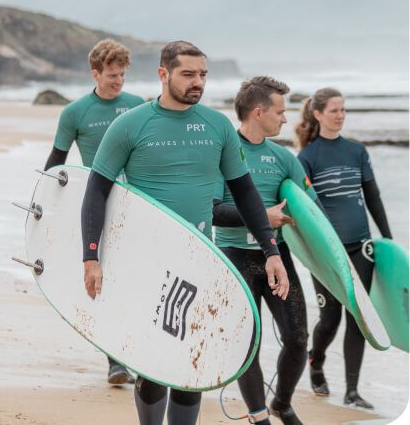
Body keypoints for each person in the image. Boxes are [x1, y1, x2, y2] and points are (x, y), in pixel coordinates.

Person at [81, 41, 289, 425]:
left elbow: (245, 193)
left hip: (201, 259)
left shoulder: (217, 126)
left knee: (190, 367)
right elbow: (96, 190)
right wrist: (90, 256)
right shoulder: (131, 125)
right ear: (164, 74)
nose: (198, 82)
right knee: (155, 362)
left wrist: (271, 251)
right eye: (188, 74)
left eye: (203, 75)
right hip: (147, 262)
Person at [213, 77, 318, 425]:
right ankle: (259, 417)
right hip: (233, 256)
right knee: (247, 344)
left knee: (298, 338)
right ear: (258, 112)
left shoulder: (283, 158)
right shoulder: (222, 154)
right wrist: (260, 217)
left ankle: (282, 404)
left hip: (278, 256)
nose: (285, 119)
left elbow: (311, 212)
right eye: (280, 112)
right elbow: (211, 207)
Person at [44, 38, 144, 385]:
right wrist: (43, 211)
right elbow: (56, 165)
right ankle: (116, 361)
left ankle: (140, 355)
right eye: (112, 75)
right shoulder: (75, 113)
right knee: (105, 277)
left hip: (137, 204)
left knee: (138, 278)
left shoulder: (137, 106)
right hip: (98, 203)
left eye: (122, 76)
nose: (118, 81)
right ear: (95, 73)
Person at [296, 87, 393, 410]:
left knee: (359, 318)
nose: (340, 115)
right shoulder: (307, 158)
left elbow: (373, 197)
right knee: (330, 318)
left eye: (343, 109)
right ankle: (316, 360)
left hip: (360, 246)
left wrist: (388, 240)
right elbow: (305, 210)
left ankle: (352, 391)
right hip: (326, 253)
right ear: (318, 114)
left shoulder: (357, 151)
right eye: (334, 110)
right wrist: (312, 249)